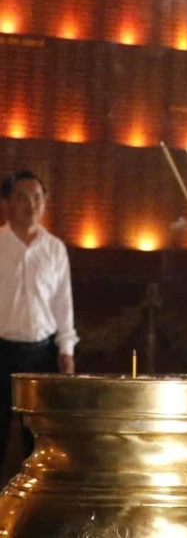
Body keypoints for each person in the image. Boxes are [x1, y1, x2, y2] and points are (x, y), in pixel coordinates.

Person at [0, 171, 77, 460]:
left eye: (37, 197)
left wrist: (66, 350)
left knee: (38, 437)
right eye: (21, 197)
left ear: (44, 201)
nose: (30, 204)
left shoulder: (54, 248)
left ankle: (34, 505)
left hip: (41, 355)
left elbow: (63, 302)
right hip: (2, 351)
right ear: (7, 202)